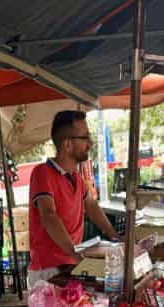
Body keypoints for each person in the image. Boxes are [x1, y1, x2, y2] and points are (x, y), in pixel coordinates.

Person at [28, 111, 120, 287]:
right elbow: (49, 215)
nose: (90, 143)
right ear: (68, 144)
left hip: (71, 264)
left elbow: (92, 207)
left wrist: (115, 236)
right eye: (85, 137)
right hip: (48, 270)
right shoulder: (42, 173)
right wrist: (75, 253)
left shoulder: (76, 178)